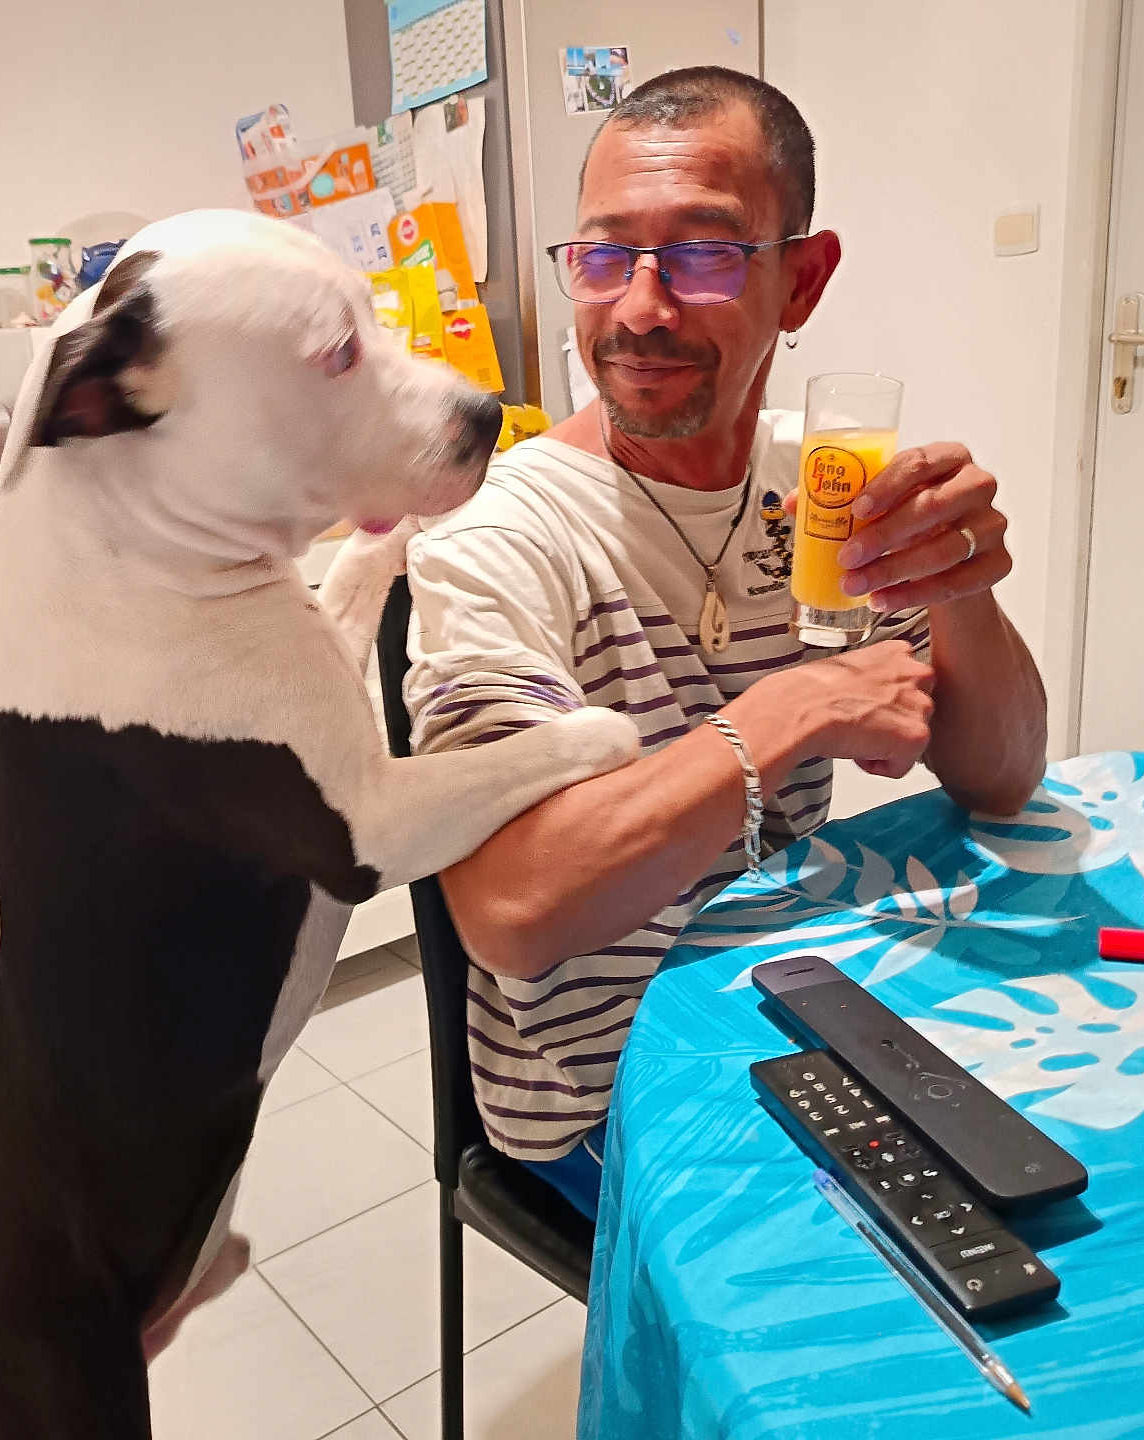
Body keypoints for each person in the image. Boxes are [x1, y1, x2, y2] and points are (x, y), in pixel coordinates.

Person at [401, 67, 1047, 1220]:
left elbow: (1002, 775)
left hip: (809, 995)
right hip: (604, 1086)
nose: (640, 308)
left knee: (1068, 1176)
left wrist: (963, 590)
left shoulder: (826, 484)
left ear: (802, 280)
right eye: (604, 257)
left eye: (701, 255)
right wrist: (789, 712)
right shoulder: (501, 532)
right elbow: (511, 911)